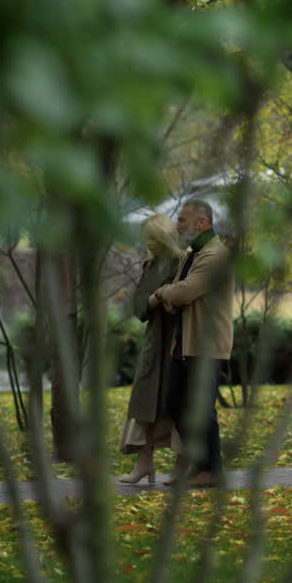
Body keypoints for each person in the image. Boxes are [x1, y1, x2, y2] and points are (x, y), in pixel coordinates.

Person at [152, 199, 233, 487]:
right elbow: (178, 297)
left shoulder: (216, 255)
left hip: (206, 344)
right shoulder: (191, 254)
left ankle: (211, 470)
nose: (178, 225)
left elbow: (185, 291)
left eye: (184, 220)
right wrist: (170, 296)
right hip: (185, 342)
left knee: (201, 408)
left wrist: (163, 293)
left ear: (203, 223)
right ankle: (198, 465)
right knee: (175, 403)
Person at [117, 214, 183, 484]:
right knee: (145, 403)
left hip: (179, 341)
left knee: (179, 404)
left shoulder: (182, 262)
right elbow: (139, 309)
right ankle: (144, 465)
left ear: (165, 236)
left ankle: (182, 466)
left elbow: (186, 296)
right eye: (146, 238)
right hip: (155, 342)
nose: (149, 243)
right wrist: (156, 298)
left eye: (153, 238)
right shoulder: (150, 265)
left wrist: (165, 297)